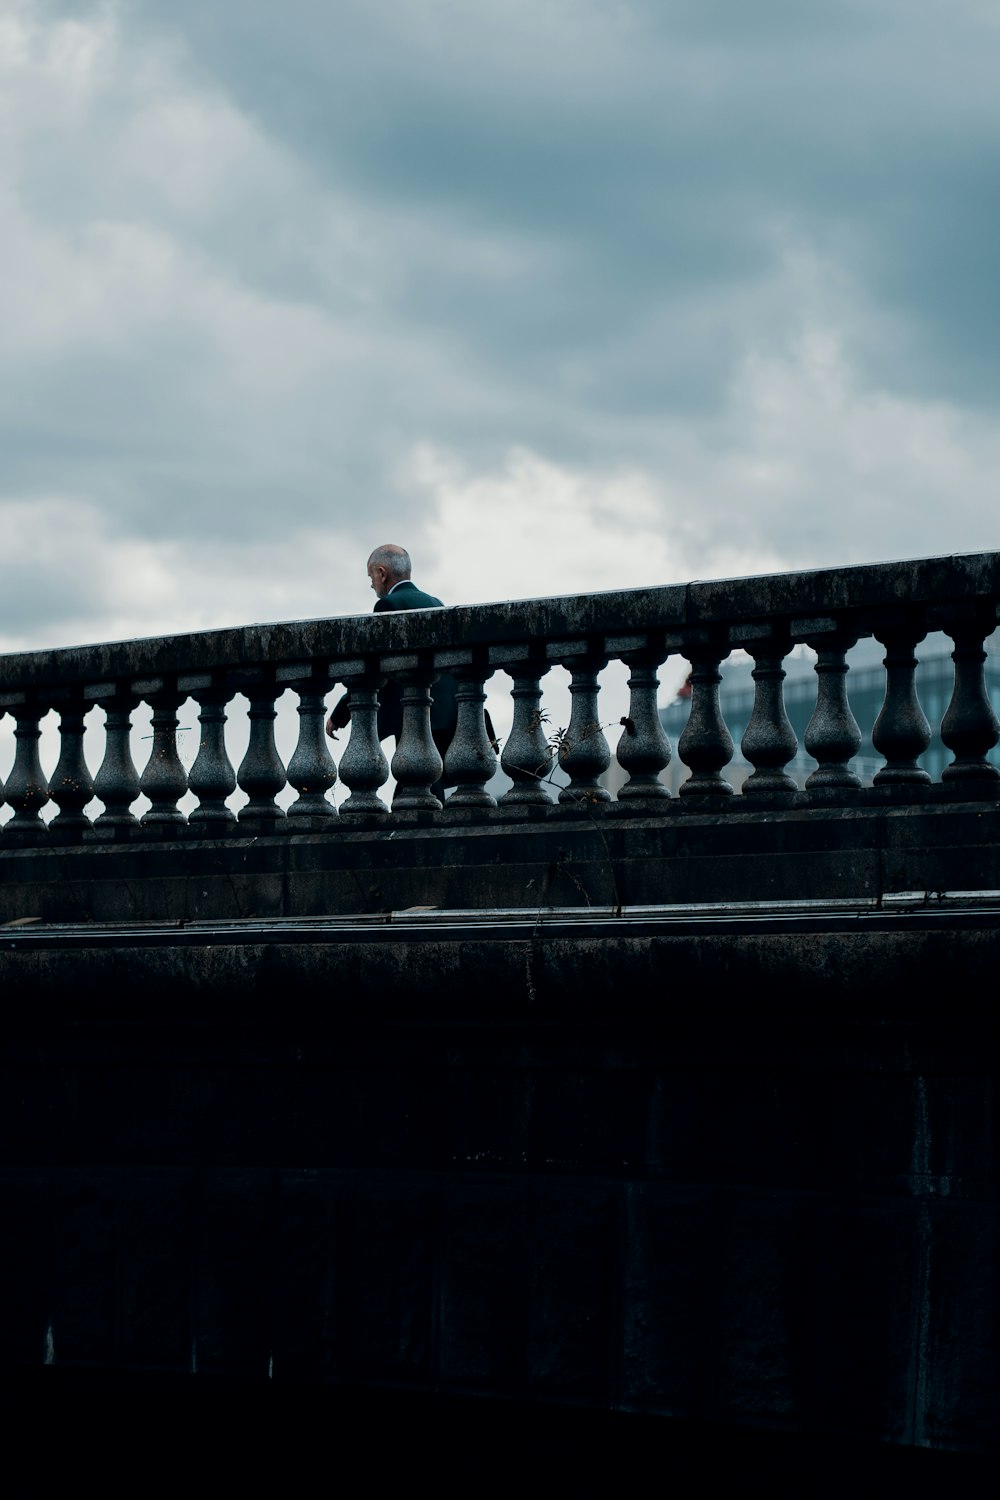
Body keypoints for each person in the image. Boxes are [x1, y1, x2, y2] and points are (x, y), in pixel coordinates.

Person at [325, 545, 459, 774]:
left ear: (382, 573)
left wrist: (341, 713)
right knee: (431, 781)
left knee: (414, 782)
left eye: (371, 576)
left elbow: (376, 668)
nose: (371, 583)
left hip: (412, 707)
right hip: (445, 707)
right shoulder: (436, 602)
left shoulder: (387, 605)